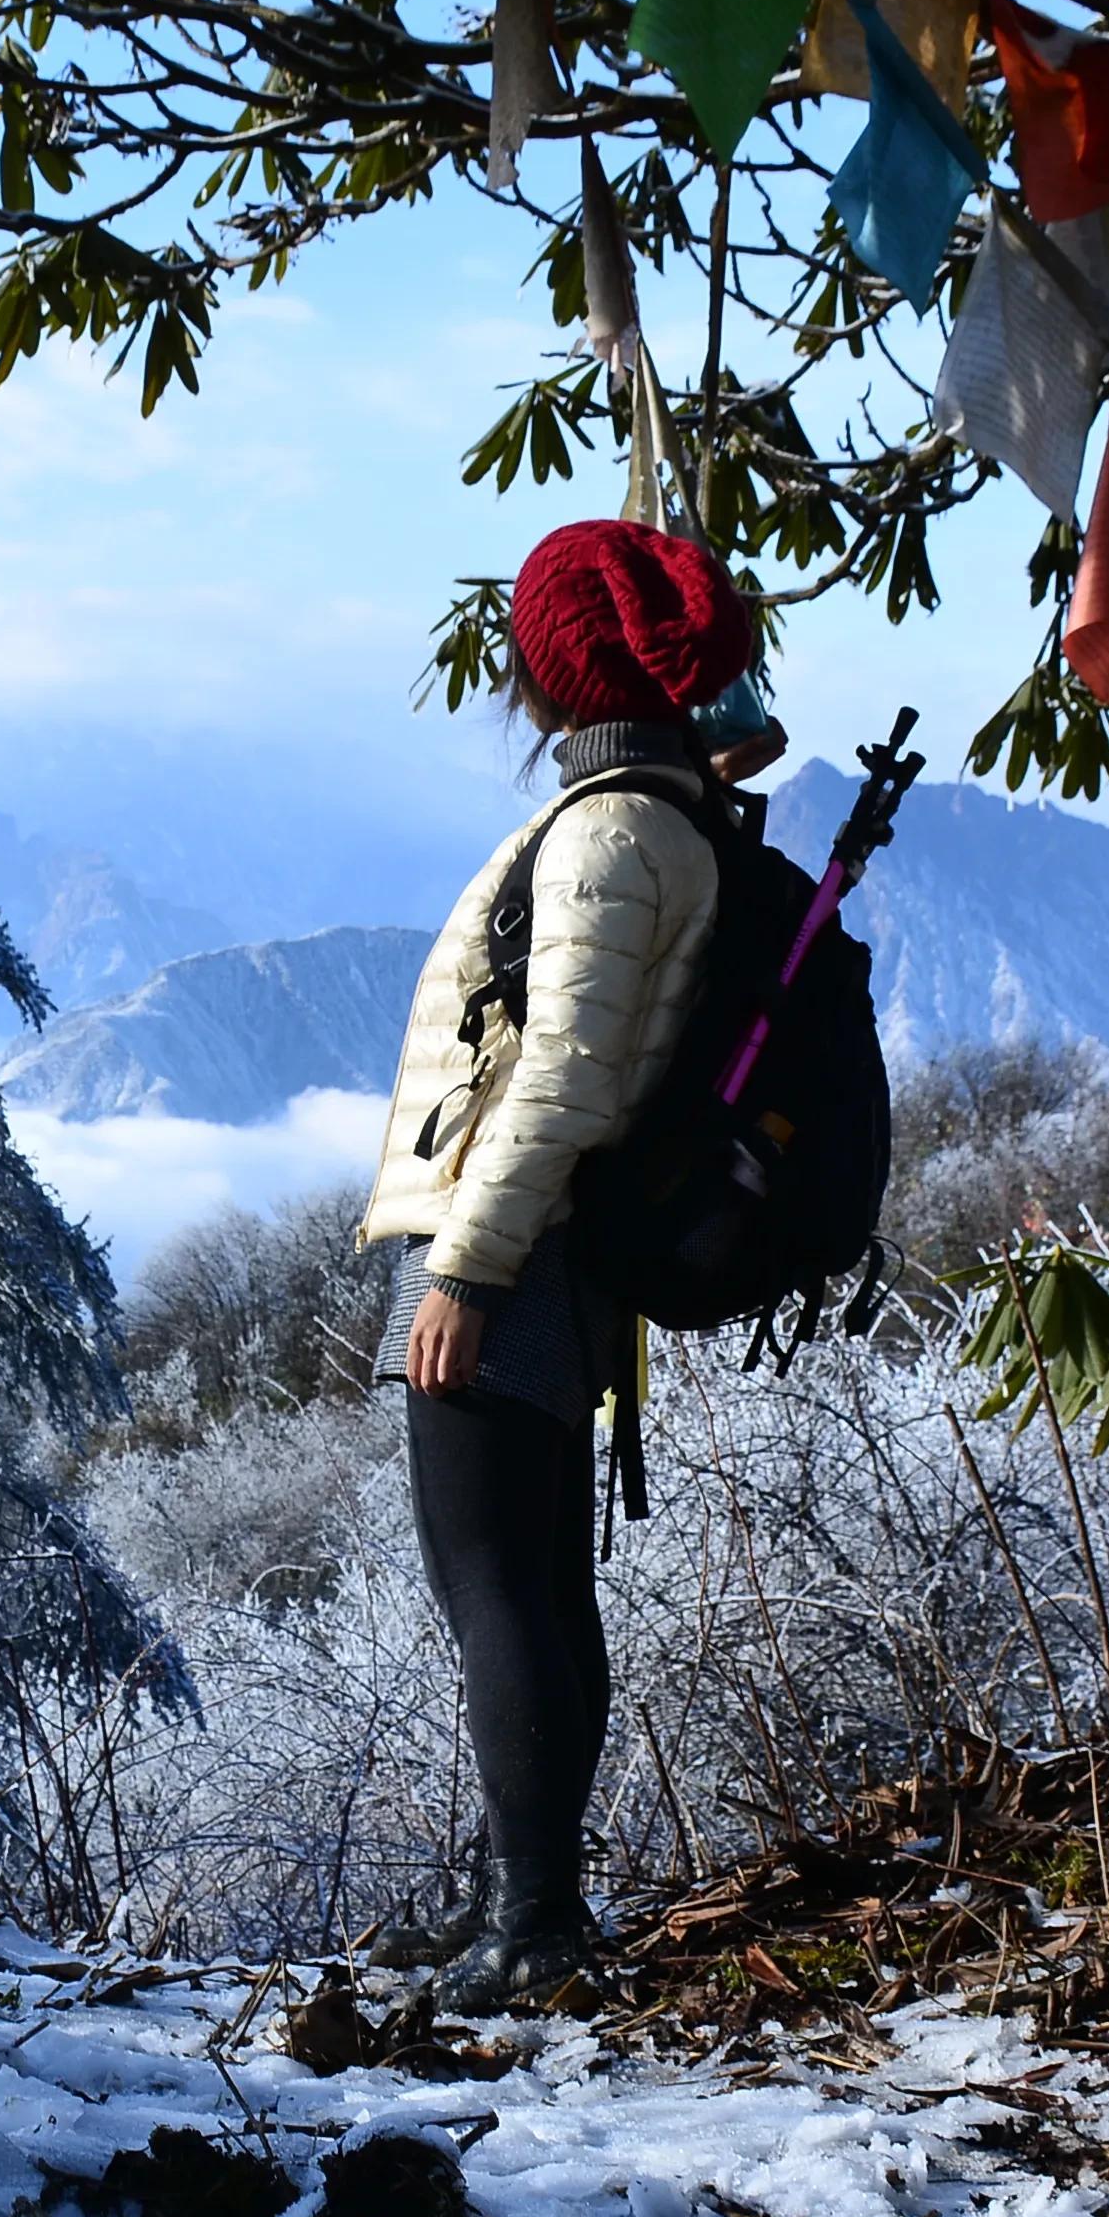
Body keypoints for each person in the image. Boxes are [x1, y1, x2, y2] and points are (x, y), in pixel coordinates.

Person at [359, 518, 757, 2014]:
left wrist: (465, 1272)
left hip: (514, 1244)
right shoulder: (655, 816)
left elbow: (562, 1083)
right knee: (531, 1583)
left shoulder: (605, 836)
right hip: (550, 1244)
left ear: (557, 666)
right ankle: (518, 1897)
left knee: (497, 1588)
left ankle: (532, 1922)